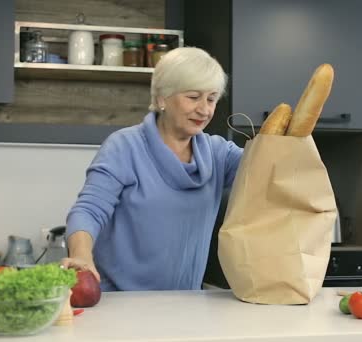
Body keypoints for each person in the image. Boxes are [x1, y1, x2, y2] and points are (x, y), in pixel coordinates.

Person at [61, 47, 243, 291]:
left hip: (184, 305)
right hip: (119, 304)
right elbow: (89, 211)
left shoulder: (219, 154)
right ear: (161, 98)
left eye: (211, 99)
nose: (205, 110)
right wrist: (82, 256)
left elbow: (272, 171)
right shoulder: (125, 147)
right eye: (193, 97)